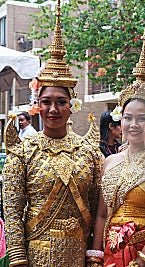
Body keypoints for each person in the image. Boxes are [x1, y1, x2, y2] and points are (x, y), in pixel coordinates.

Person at [2, 3, 102, 266]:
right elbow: (12, 210)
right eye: (47, 101)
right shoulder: (23, 151)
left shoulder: (89, 151)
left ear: (73, 105)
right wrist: (17, 256)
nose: (53, 109)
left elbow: (95, 207)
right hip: (36, 254)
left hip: (79, 253)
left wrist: (93, 255)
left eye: (61, 101)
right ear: (38, 105)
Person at [88, 22, 145, 267]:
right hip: (112, 252)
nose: (133, 124)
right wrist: (95, 255)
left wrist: (142, 259)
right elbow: (101, 214)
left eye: (142, 118)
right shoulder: (109, 162)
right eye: (128, 118)